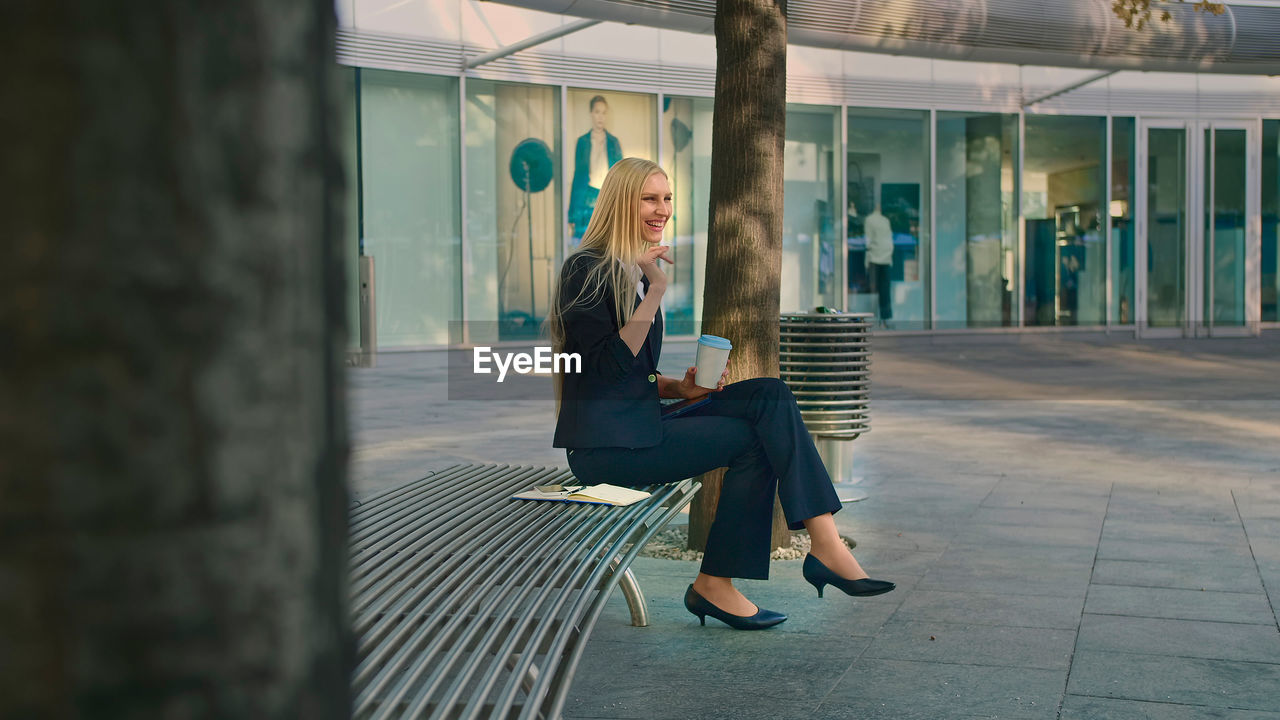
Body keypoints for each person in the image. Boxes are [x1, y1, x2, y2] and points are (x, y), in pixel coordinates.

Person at [548, 157, 894, 631]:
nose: (661, 209)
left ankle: (821, 541)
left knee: (769, 396)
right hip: (608, 449)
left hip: (642, 423)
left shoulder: (632, 269)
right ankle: (721, 581)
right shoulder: (586, 270)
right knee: (754, 440)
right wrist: (656, 291)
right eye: (649, 198)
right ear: (620, 203)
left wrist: (679, 388)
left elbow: (631, 375)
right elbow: (608, 367)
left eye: (667, 198)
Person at [567, 95, 623, 243]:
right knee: (586, 241)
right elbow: (578, 176)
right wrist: (572, 214)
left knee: (608, 242)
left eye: (604, 113)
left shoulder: (613, 142)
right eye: (597, 112)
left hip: (608, 196)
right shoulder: (583, 142)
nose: (600, 117)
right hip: (587, 197)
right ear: (591, 113)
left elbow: (621, 176)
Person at [863, 203, 894, 327]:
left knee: (873, 289)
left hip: (874, 258)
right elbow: (890, 240)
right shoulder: (885, 221)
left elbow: (867, 240)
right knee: (884, 290)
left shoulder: (869, 220)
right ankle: (884, 319)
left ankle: (873, 319)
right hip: (886, 258)